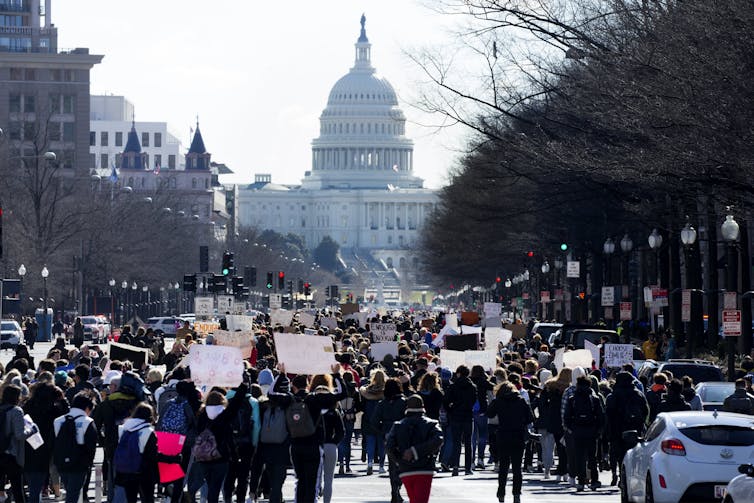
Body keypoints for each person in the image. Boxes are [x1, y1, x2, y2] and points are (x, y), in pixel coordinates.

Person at [188, 383, 249, 503]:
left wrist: (191, 381)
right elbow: (237, 402)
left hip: (203, 457)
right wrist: (243, 384)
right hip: (221, 457)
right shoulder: (225, 415)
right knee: (215, 487)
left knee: (209, 483)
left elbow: (192, 398)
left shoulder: (201, 414)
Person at [385, 394, 443, 503]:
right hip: (424, 467)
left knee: (414, 499)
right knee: (420, 500)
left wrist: (399, 461)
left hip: (406, 469)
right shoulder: (432, 424)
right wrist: (416, 451)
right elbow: (438, 439)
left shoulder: (398, 425)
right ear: (422, 406)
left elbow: (389, 447)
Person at [24, 371, 69, 503]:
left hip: (33, 443)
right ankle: (55, 491)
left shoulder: (29, 405)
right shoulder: (56, 406)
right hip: (53, 444)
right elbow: (66, 417)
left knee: (34, 482)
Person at [487, 381, 534, 503]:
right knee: (517, 468)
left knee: (503, 466)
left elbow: (490, 414)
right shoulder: (521, 400)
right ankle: (516, 493)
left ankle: (501, 492)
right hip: (518, 435)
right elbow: (530, 418)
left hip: (503, 435)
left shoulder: (498, 401)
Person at [53, 392, 98, 503]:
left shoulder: (58, 421)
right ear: (88, 407)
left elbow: (53, 442)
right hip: (79, 464)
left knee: (71, 491)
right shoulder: (88, 422)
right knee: (73, 495)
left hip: (61, 463)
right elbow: (91, 447)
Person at [605, 371, 649, 486]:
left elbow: (608, 413)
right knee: (633, 455)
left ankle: (618, 474)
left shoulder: (613, 395)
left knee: (618, 455)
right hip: (634, 430)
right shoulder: (638, 394)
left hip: (617, 430)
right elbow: (646, 411)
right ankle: (629, 478)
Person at [563, 376, 604, 492]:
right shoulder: (594, 399)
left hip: (577, 432)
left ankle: (581, 482)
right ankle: (594, 481)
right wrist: (599, 430)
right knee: (592, 458)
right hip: (591, 432)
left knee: (579, 458)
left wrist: (571, 429)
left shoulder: (572, 399)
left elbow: (566, 417)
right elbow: (601, 416)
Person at [113, 403, 159, 503]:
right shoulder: (148, 431)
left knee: (130, 499)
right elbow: (153, 455)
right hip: (144, 471)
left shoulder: (124, 428)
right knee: (147, 498)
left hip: (127, 470)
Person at [373, 378, 407, 503]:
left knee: (392, 465)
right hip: (403, 436)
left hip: (388, 435)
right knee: (405, 465)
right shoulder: (404, 402)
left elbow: (374, 422)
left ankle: (394, 491)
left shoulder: (382, 404)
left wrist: (382, 431)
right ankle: (397, 488)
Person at [443, 364, 477, 476]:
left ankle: (455, 466)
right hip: (468, 416)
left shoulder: (453, 386)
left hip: (456, 416)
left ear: (458, 373)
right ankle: (468, 468)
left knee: (456, 442)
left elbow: (446, 402)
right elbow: (473, 401)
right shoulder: (472, 387)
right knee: (468, 442)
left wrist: (451, 410)